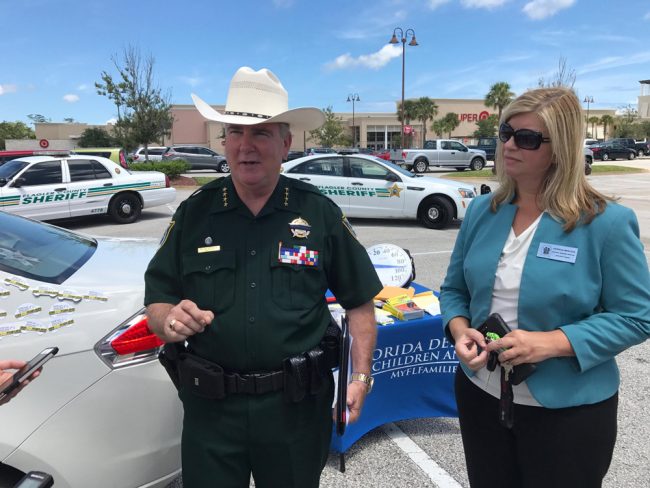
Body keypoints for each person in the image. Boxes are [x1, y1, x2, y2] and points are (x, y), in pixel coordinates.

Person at [144, 66, 382, 488]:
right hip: (211, 412)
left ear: (286, 144)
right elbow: (159, 298)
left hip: (295, 411)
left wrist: (360, 376)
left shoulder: (319, 213)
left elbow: (359, 301)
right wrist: (169, 321)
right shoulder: (193, 214)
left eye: (262, 134)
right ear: (224, 142)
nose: (245, 146)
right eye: (235, 132)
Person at [440, 87, 650, 488]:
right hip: (480, 395)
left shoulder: (605, 223)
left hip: (568, 412)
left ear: (561, 147)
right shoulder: (483, 211)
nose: (509, 146)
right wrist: (459, 327)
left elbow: (637, 317)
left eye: (528, 138)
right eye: (506, 133)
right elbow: (453, 290)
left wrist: (552, 342)